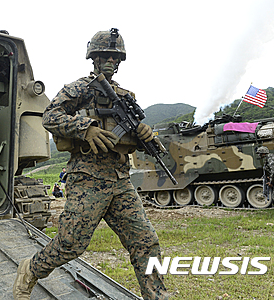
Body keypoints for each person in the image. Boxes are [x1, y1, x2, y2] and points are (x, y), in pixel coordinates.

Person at [13, 28, 170, 300]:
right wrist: (86, 128)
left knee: (146, 242)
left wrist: (145, 134)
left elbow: (130, 135)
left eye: (115, 57)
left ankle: (157, 296)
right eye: (105, 56)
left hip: (120, 180)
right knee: (70, 245)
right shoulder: (79, 88)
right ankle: (30, 270)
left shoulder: (126, 96)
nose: (111, 61)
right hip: (87, 178)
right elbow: (49, 116)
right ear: (94, 57)